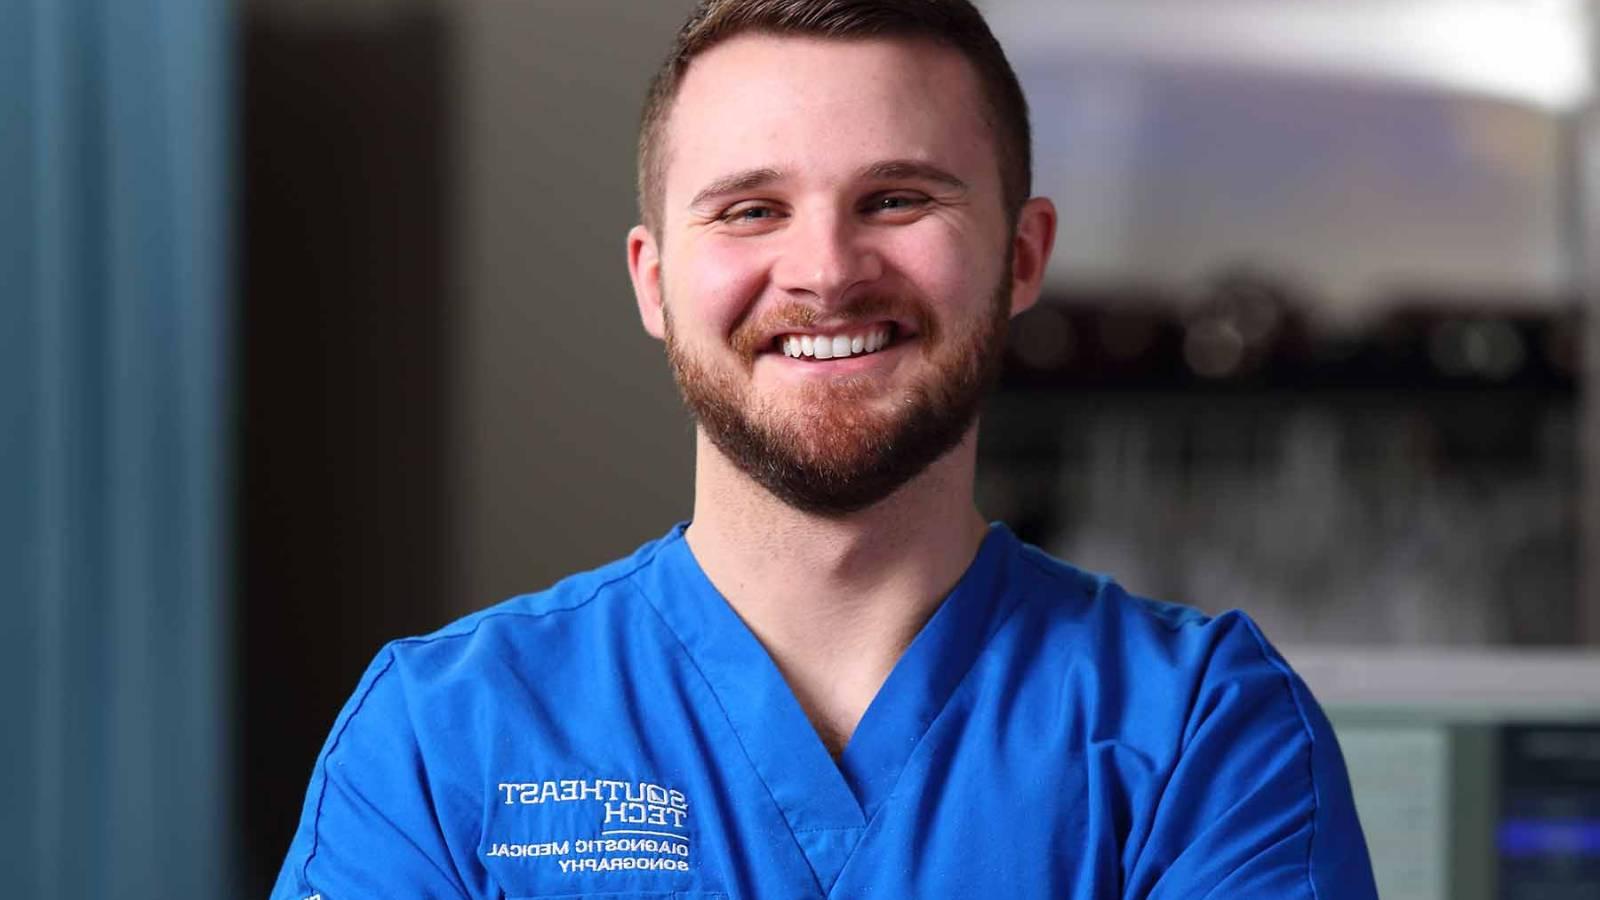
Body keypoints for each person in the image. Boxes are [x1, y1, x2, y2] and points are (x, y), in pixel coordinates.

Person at [272, 1, 1379, 897]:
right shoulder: (442, 736)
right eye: (750, 210)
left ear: (1022, 255)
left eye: (896, 199)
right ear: (654, 282)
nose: (825, 271)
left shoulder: (1201, 735)